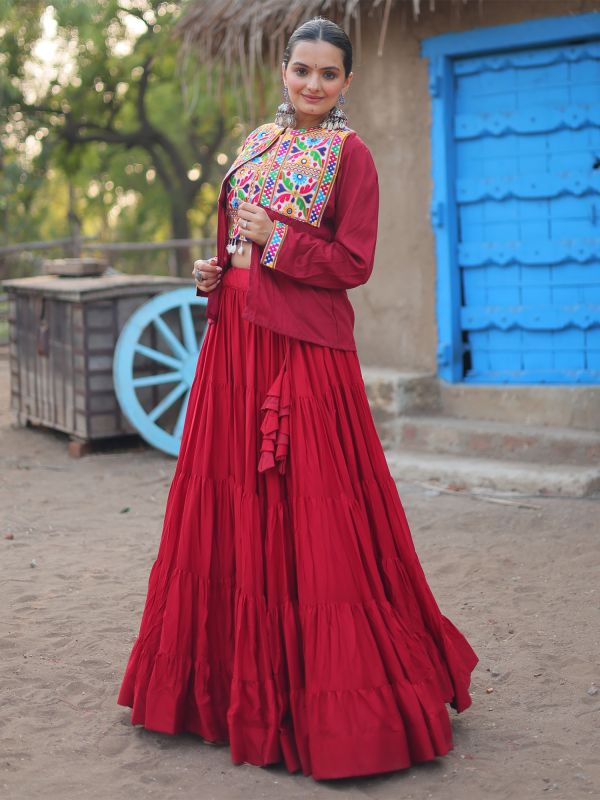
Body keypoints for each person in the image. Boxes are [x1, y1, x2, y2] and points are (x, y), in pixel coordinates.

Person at [117, 17, 478, 782]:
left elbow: (354, 261)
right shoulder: (254, 143)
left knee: (314, 506)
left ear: (347, 82)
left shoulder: (353, 157)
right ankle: (220, 698)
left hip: (304, 350)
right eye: (302, 70)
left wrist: (275, 242)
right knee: (233, 508)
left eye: (328, 74)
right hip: (237, 343)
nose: (313, 85)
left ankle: (335, 709)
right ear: (283, 71)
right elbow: (236, 237)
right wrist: (218, 270)